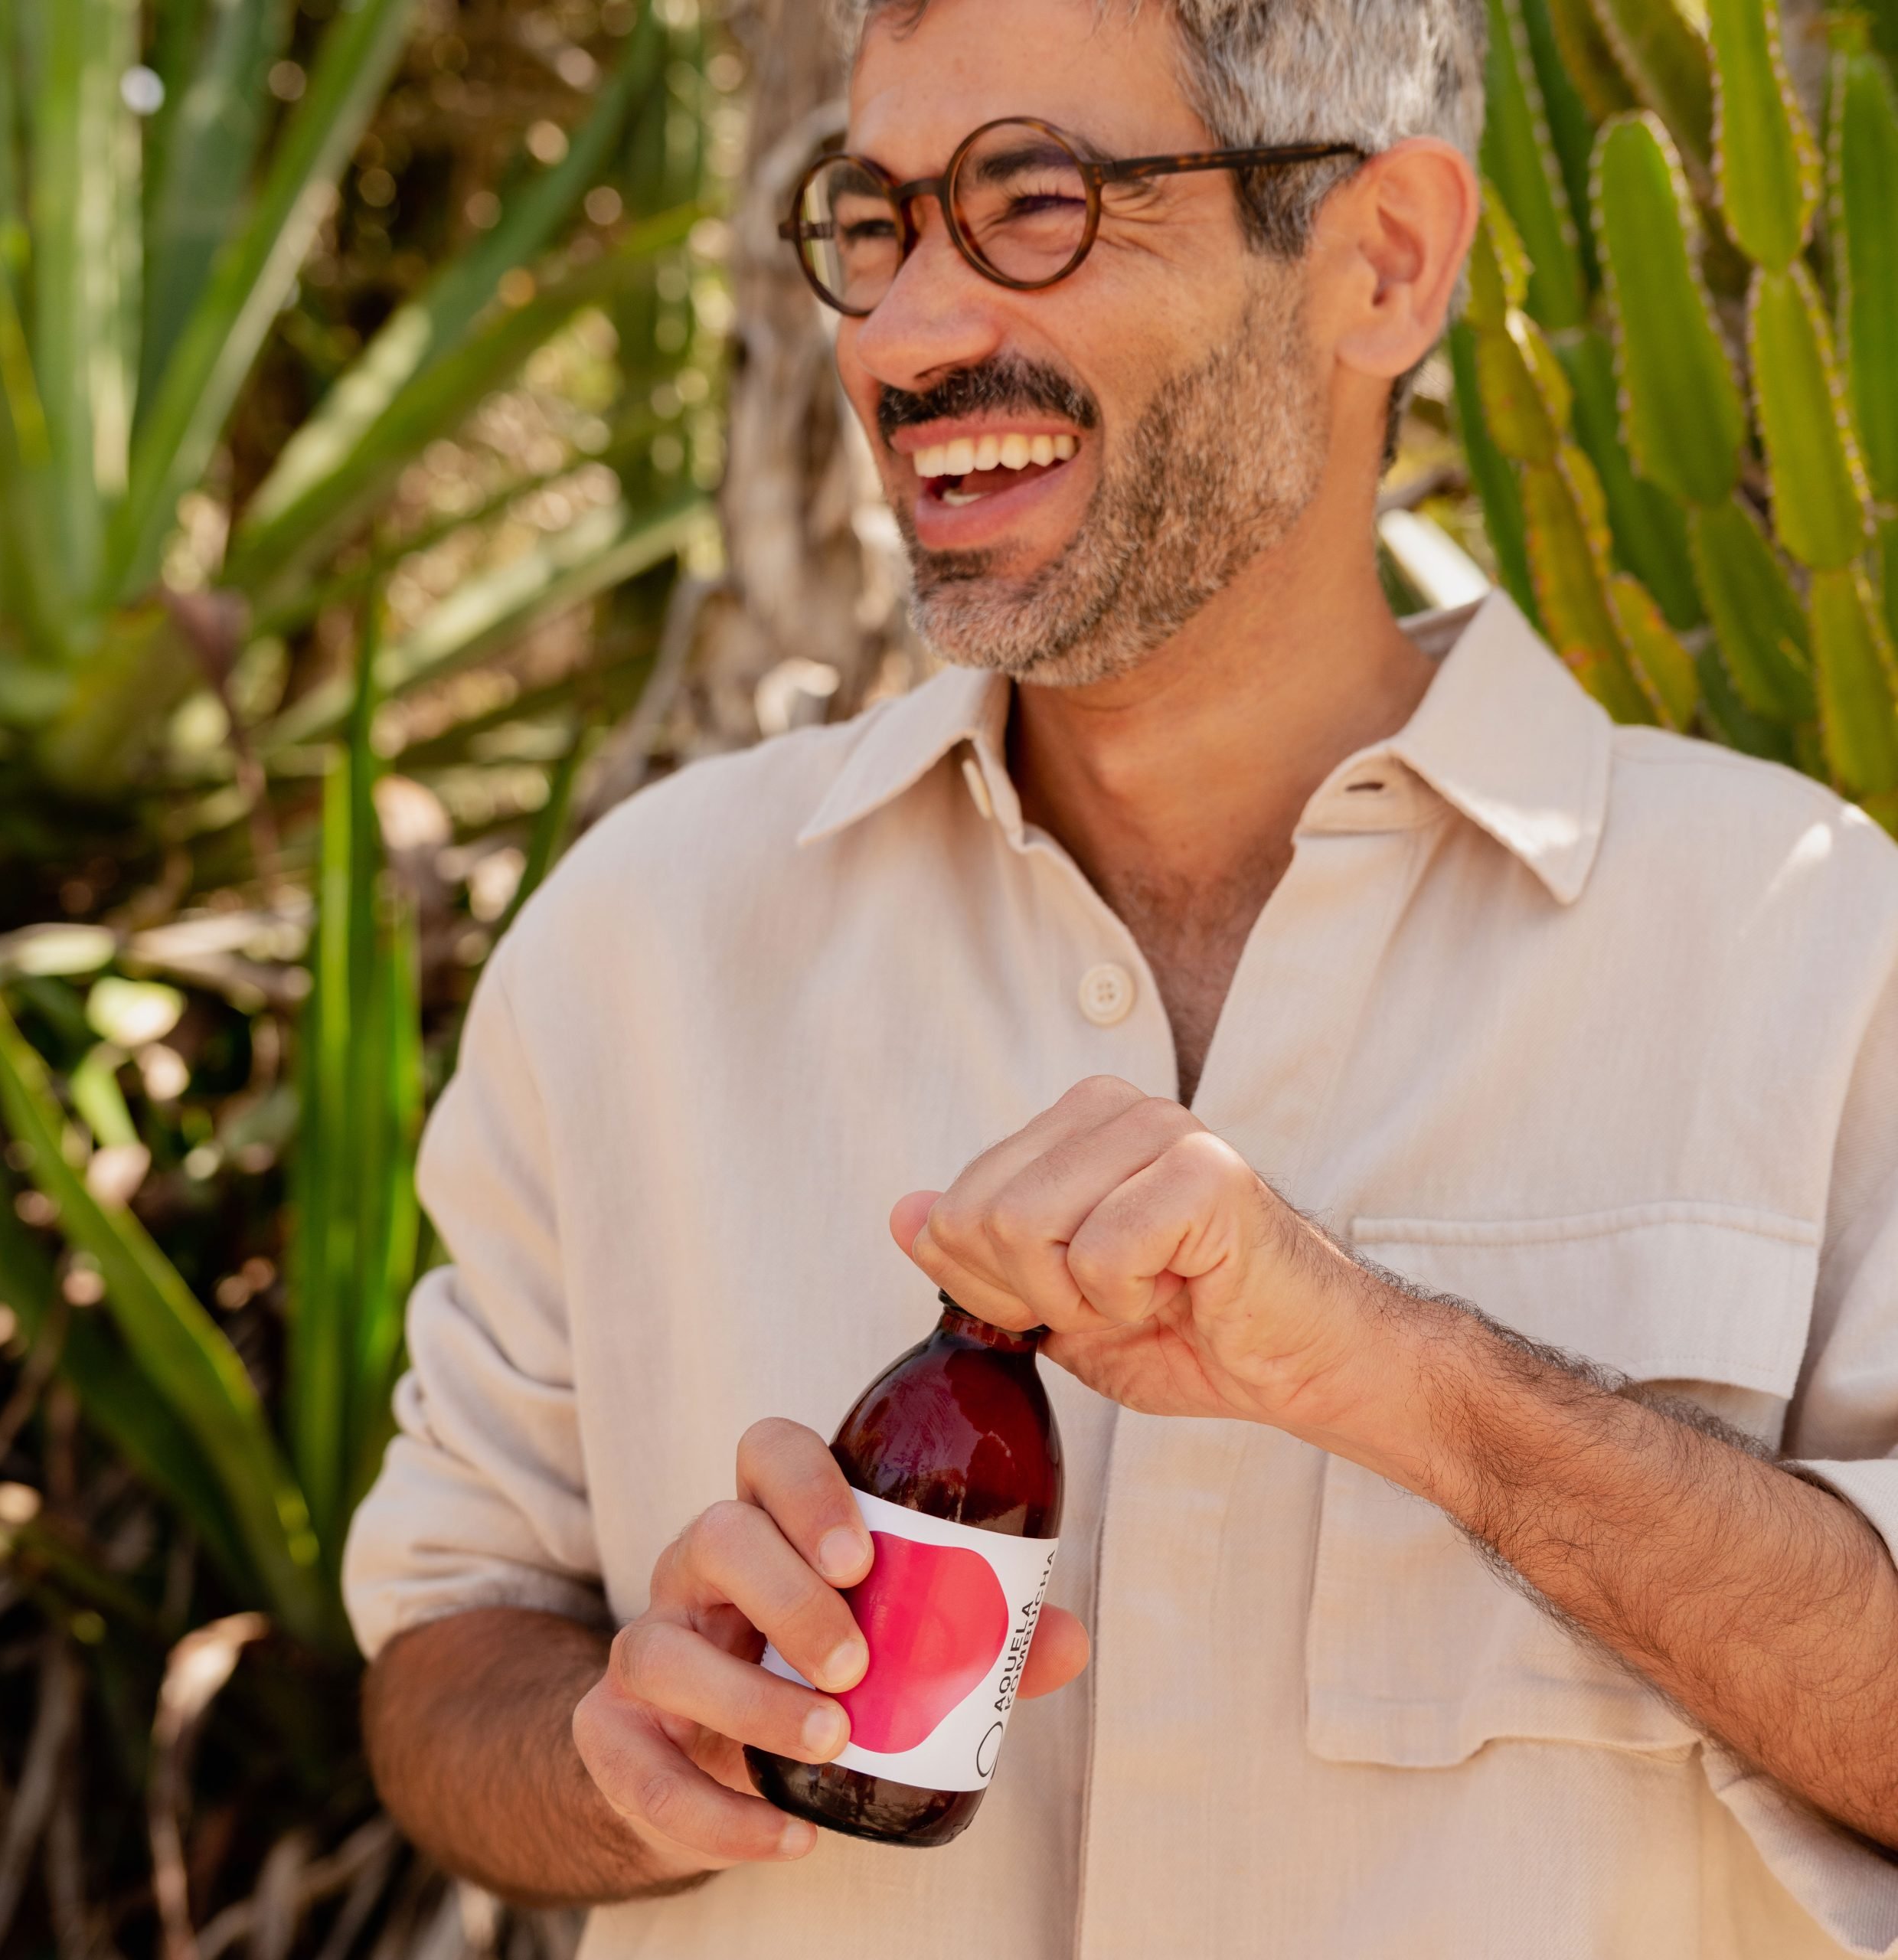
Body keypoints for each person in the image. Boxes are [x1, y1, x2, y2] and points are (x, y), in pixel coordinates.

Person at [342, 0, 1898, 1953]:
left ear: (1380, 263)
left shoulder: (1820, 956)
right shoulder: (638, 942)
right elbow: (441, 1658)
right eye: (873, 219)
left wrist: (1403, 1375)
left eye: (1033, 203)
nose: (903, 335)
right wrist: (613, 1744)